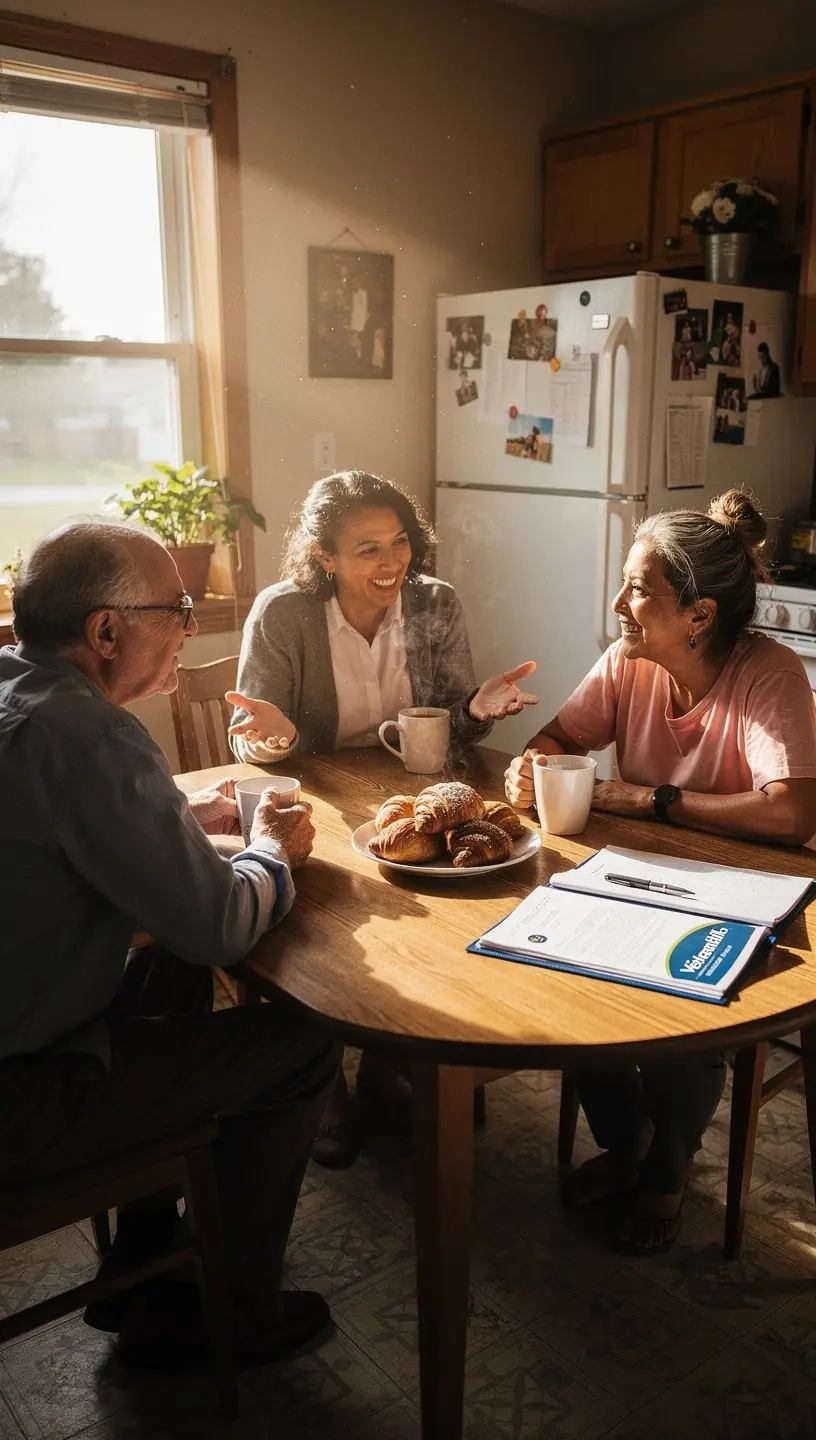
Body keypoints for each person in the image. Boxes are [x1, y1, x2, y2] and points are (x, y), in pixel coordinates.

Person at [0, 521, 340, 1370]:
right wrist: (270, 847)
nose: (190, 628)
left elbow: (57, 839)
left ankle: (143, 1274)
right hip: (19, 1094)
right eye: (177, 609)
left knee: (172, 972)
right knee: (302, 1040)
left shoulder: (18, 692)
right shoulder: (94, 736)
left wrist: (178, 823)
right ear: (105, 631)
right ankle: (228, 1307)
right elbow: (220, 924)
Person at [504, 490, 816, 1256]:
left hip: (757, 897)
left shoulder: (768, 676)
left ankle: (667, 1172)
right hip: (641, 879)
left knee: (689, 1015)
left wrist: (651, 799)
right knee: (565, 975)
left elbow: (791, 816)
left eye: (639, 589)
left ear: (700, 616)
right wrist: (532, 765)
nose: (617, 603)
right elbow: (557, 737)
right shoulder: (626, 662)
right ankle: (630, 1141)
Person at [227, 470, 538, 1163]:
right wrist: (270, 739)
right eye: (366, 549)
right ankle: (325, 1076)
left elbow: (457, 722)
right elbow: (252, 736)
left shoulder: (435, 605)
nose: (391, 562)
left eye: (399, 542)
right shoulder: (283, 615)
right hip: (323, 799)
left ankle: (392, 1056)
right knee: (325, 929)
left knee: (447, 912)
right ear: (324, 556)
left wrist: (477, 712)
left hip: (412, 798)